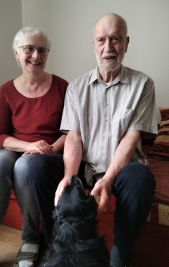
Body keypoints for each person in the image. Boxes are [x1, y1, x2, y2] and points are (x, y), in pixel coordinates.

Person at [28, 13, 157, 267]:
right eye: (101, 40)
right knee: (36, 167)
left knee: (142, 179)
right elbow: (73, 137)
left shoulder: (143, 85)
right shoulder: (76, 88)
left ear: (127, 43)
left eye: (115, 39)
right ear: (94, 45)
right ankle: (60, 244)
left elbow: (131, 139)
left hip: (122, 169)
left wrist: (108, 179)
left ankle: (120, 252)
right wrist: (69, 177)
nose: (108, 48)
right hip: (85, 168)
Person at [0, 26, 68, 267]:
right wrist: (29, 145)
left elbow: (71, 131)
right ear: (16, 53)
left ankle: (31, 239)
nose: (36, 55)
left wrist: (51, 147)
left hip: (50, 152)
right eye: (29, 49)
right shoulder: (6, 91)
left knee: (24, 166)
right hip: (17, 147)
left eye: (42, 50)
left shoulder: (63, 86)